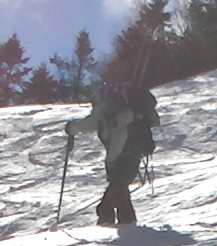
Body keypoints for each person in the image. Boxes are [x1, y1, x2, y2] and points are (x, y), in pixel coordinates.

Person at [64, 76, 159, 225]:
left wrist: (70, 128)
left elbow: (87, 124)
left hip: (118, 151)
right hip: (135, 150)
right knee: (120, 185)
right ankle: (124, 220)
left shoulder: (104, 108)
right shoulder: (132, 109)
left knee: (118, 184)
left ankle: (107, 215)